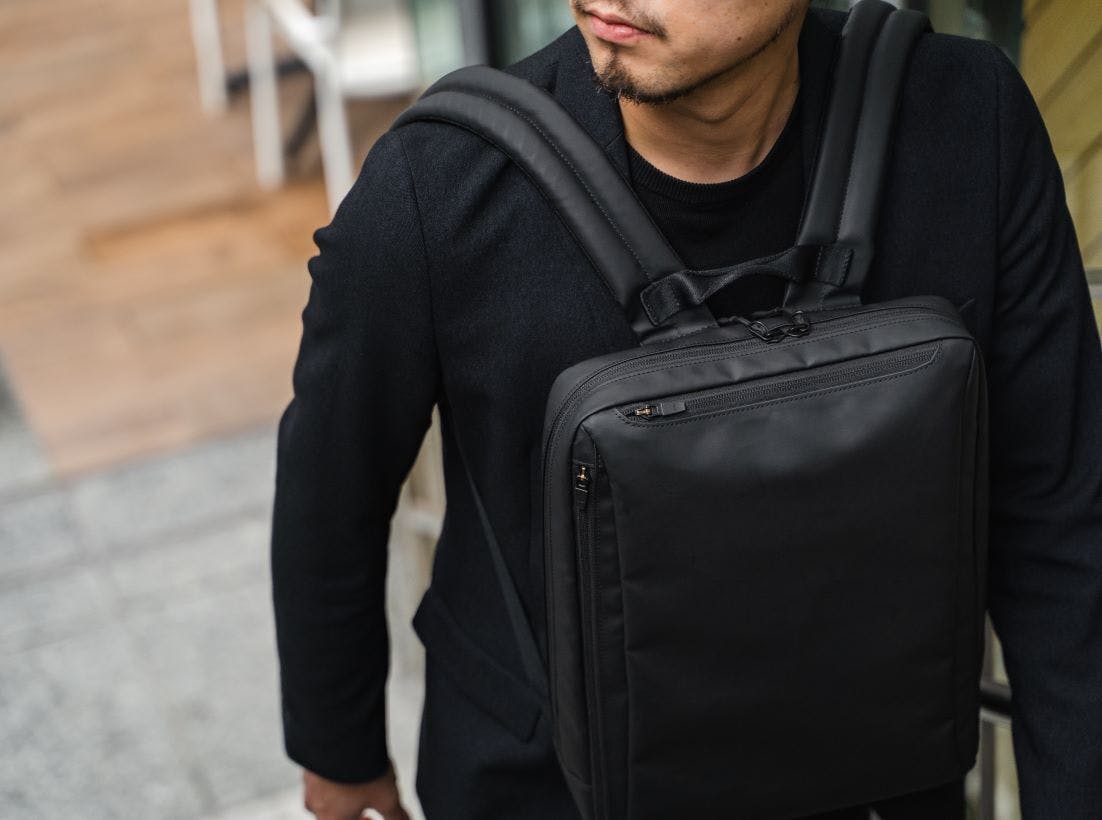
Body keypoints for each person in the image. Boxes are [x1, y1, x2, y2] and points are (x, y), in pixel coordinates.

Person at [269, 1, 1102, 818]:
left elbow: (1061, 523)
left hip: (873, 776)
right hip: (541, 784)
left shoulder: (964, 118)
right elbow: (331, 488)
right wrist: (338, 749)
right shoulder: (438, 183)